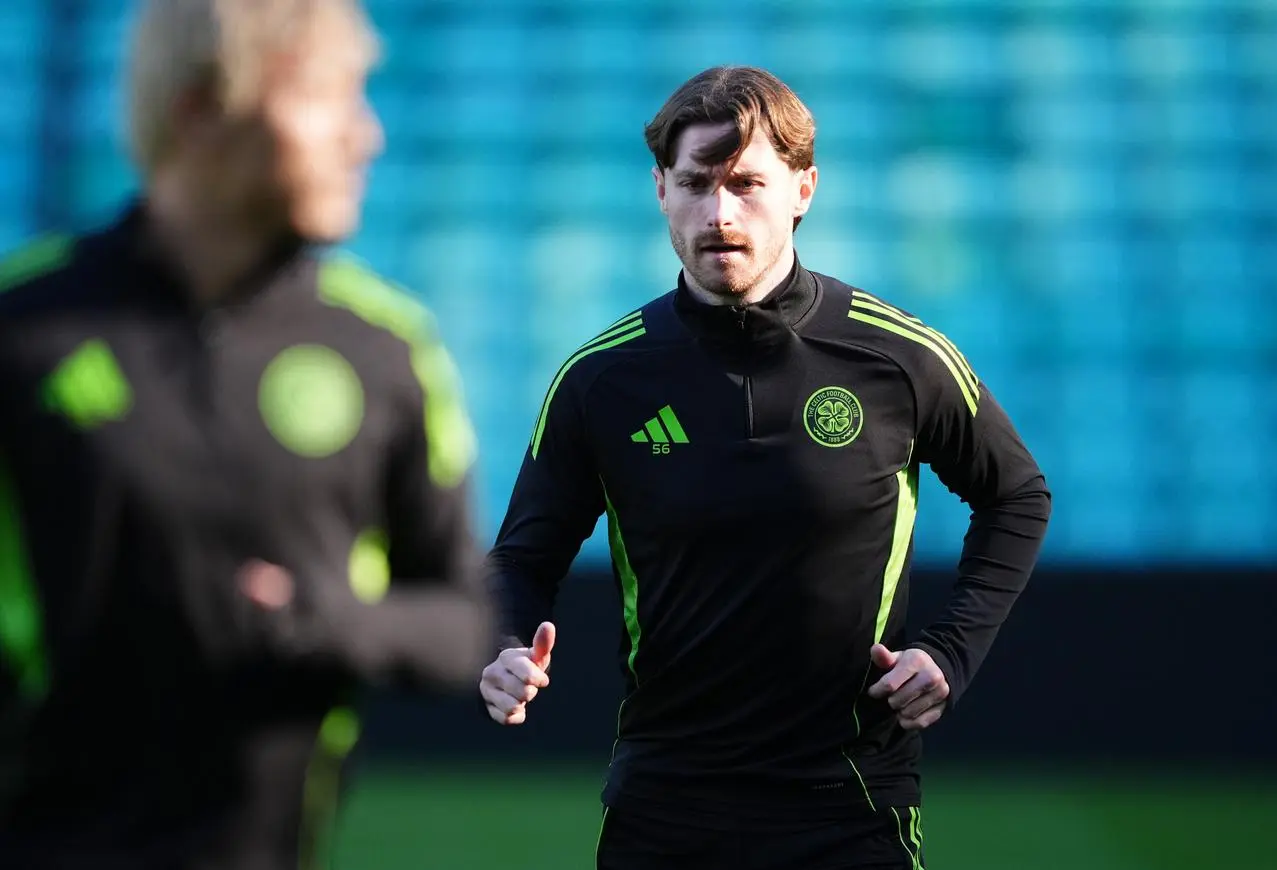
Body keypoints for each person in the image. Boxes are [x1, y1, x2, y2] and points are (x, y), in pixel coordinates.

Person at [481, 65, 1051, 870]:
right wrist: (501, 646)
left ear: (803, 188)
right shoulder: (601, 380)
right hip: (664, 805)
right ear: (660, 191)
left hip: (848, 802)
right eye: (695, 184)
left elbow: (1017, 495)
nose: (719, 213)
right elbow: (519, 557)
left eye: (746, 183)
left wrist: (951, 651)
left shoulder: (896, 358)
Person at [0, 1, 493, 868]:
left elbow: (465, 620)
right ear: (202, 109)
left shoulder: (384, 349)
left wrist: (327, 620)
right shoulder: (23, 329)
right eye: (331, 99)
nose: (365, 136)